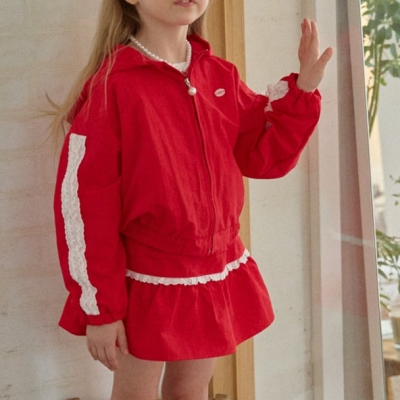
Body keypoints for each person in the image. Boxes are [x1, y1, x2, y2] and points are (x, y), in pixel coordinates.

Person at [52, 0, 333, 399]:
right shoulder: (113, 86)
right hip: (147, 280)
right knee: (136, 393)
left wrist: (302, 89)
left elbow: (262, 154)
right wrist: (101, 308)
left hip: (213, 270)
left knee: (191, 388)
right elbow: (84, 206)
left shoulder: (219, 74)